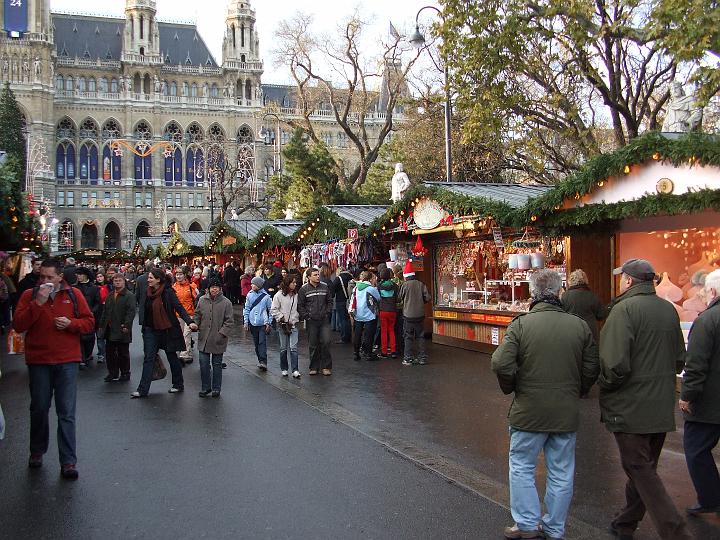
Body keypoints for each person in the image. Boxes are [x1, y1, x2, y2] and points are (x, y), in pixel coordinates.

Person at [491, 269, 599, 540]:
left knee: (522, 466)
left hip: (528, 410)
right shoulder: (579, 326)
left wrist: (514, 387)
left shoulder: (521, 325)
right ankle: (554, 528)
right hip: (564, 411)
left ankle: (527, 524)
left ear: (532, 294)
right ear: (560, 291)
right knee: (562, 471)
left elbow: (500, 363)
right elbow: (591, 368)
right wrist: (579, 389)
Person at [599, 258, 692, 540]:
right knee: (643, 468)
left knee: (639, 469)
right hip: (659, 406)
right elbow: (679, 360)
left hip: (630, 406)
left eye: (621, 278)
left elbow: (614, 364)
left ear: (628, 281)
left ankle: (674, 531)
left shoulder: (624, 310)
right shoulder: (667, 310)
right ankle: (625, 523)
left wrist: (603, 385)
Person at [12, 259, 95, 479]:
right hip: (39, 360)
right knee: (39, 408)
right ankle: (37, 451)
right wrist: (37, 304)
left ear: (60, 277)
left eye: (49, 277)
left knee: (66, 412)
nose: (45, 281)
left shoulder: (73, 295)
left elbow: (88, 322)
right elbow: (19, 325)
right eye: (42, 277)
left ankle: (68, 461)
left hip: (67, 360)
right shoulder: (29, 295)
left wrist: (71, 324)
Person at [679, 268, 720, 516]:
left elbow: (696, 364)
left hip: (709, 401)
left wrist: (687, 395)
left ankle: (710, 497)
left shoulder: (707, 320)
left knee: (696, 450)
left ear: (712, 291)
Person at [131, 269, 197, 398]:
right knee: (149, 358)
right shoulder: (148, 292)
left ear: (158, 279)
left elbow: (178, 307)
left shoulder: (168, 292)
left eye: (150, 278)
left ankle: (178, 384)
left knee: (171, 357)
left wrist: (190, 321)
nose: (148, 280)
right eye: (148, 278)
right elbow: (145, 310)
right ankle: (142, 390)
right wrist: (144, 327)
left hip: (167, 329)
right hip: (151, 329)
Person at [194, 277, 233, 397]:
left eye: (216, 287)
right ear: (208, 289)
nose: (214, 289)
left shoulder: (226, 302)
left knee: (217, 365)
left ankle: (216, 388)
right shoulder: (202, 300)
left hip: (218, 339)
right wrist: (195, 324)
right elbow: (197, 314)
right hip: (204, 337)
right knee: (203, 364)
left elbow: (229, 321)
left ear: (220, 288)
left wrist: (222, 333)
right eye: (212, 287)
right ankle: (206, 387)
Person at [98, 274, 136, 382]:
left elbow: (131, 312)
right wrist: (101, 325)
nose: (117, 282)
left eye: (119, 280)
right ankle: (112, 373)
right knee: (110, 353)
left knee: (123, 352)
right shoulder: (110, 295)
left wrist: (127, 325)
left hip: (122, 328)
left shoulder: (129, 295)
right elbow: (105, 312)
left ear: (124, 282)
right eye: (115, 281)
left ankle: (125, 373)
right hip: (110, 328)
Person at [298, 267, 333, 376]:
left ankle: (326, 367)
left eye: (318, 274)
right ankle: (314, 367)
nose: (318, 276)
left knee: (326, 342)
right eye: (315, 275)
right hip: (311, 321)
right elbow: (300, 305)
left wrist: (327, 312)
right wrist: (306, 316)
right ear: (308, 277)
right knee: (313, 344)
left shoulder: (325, 286)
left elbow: (330, 301)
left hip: (324, 320)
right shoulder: (304, 289)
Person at [561, 269, 607, 343]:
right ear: (585, 280)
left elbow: (560, 315)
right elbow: (601, 315)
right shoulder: (593, 296)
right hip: (590, 333)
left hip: (571, 332)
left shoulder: (564, 296)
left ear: (570, 281)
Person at [398, 260, 430, 366]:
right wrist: (422, 302)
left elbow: (399, 298)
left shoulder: (404, 285)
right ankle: (422, 358)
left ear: (406, 276)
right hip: (420, 314)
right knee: (420, 336)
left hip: (408, 315)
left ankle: (408, 358)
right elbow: (428, 298)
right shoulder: (421, 284)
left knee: (408, 336)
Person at [271, 275, 301, 378]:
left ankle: (295, 370)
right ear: (288, 283)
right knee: (283, 348)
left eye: (295, 282)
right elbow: (273, 309)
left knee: (294, 348)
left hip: (294, 324)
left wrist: (297, 317)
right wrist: (281, 317)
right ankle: (284, 368)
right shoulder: (279, 295)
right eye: (293, 282)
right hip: (283, 325)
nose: (295, 284)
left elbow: (299, 308)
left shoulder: (297, 295)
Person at [349, 271, 381, 361]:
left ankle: (356, 353)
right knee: (368, 335)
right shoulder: (371, 289)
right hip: (369, 314)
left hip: (358, 314)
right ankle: (368, 353)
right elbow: (378, 298)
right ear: (370, 279)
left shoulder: (356, 287)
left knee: (357, 334)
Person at [74, 267, 101, 369]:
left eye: (80, 274)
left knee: (89, 338)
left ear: (85, 275)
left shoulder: (93, 288)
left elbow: (97, 302)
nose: (78, 276)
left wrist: (92, 312)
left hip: (90, 316)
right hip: (78, 317)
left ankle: (87, 355)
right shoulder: (74, 288)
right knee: (79, 338)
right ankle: (82, 358)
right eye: (77, 274)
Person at [244, 276, 273, 370]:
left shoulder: (266, 297)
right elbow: (247, 308)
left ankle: (263, 361)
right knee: (256, 343)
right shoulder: (249, 295)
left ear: (259, 285)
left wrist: (269, 322)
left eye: (253, 284)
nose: (251, 285)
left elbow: (271, 310)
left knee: (262, 342)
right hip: (253, 322)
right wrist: (246, 321)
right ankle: (260, 360)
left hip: (263, 323)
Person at [172, 267, 199, 366]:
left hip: (190, 314)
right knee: (180, 334)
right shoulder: (174, 287)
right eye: (177, 274)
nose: (178, 276)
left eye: (180, 274)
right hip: (178, 315)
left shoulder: (191, 286)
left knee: (186, 334)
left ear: (184, 275)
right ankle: (185, 351)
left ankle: (185, 355)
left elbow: (198, 299)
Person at [377, 268, 400, 358]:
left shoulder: (379, 286)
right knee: (391, 330)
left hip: (383, 310)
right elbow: (398, 299)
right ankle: (393, 351)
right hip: (393, 310)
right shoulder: (395, 286)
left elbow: (378, 298)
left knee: (383, 331)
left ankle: (384, 352)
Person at [332, 266, 353, 344]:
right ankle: (349, 336)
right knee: (348, 319)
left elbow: (332, 288)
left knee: (342, 320)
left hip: (340, 300)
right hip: (349, 300)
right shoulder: (351, 277)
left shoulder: (339, 279)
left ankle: (344, 338)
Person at [95, 272, 110, 363]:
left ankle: (108, 352)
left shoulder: (109, 287)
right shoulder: (95, 288)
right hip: (99, 313)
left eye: (101, 276)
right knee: (99, 335)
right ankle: (101, 353)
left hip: (108, 312)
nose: (99, 278)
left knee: (108, 335)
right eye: (98, 277)